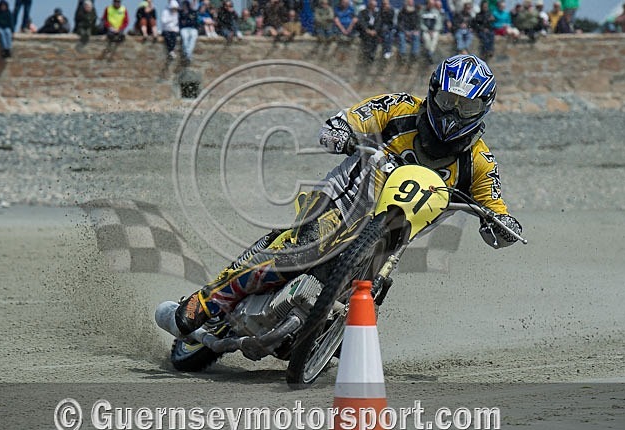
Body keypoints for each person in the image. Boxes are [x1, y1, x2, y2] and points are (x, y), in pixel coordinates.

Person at [157, 54, 523, 342]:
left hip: (389, 235)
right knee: (300, 250)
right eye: (447, 100)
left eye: (466, 108)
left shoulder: (479, 161)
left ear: (483, 110)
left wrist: (502, 226)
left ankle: (328, 338)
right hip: (341, 202)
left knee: (374, 292)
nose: (453, 114)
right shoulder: (398, 108)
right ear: (432, 93)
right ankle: (203, 304)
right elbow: (346, 121)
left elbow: (496, 209)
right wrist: (341, 133)